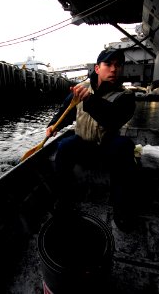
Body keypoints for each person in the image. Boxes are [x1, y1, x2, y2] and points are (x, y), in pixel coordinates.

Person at [46, 48, 139, 232]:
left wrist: (89, 100)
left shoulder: (126, 97)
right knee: (64, 146)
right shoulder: (81, 91)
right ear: (97, 68)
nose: (114, 69)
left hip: (107, 148)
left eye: (118, 65)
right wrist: (53, 125)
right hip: (84, 146)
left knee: (125, 147)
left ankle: (121, 207)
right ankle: (63, 200)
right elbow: (66, 111)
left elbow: (111, 118)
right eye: (108, 64)